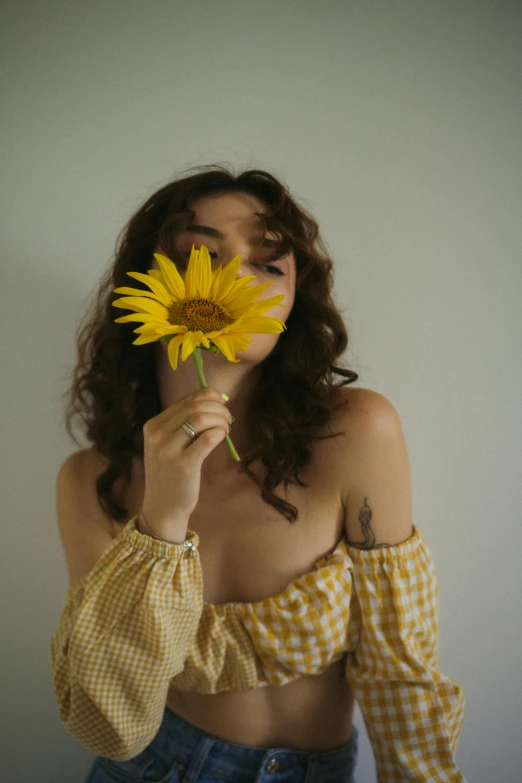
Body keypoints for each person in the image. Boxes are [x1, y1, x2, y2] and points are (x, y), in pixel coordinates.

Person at [50, 166, 467, 782]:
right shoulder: (92, 481)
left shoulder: (355, 433)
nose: (230, 280)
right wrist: (160, 522)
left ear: (293, 303)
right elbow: (111, 725)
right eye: (200, 255)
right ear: (147, 283)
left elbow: (401, 672)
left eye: (267, 265)